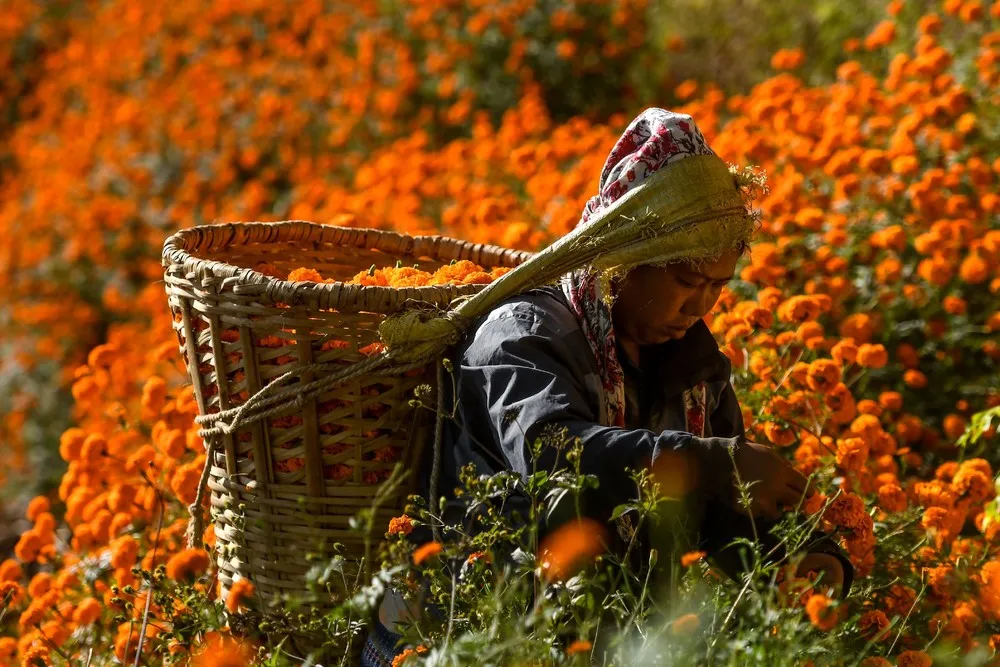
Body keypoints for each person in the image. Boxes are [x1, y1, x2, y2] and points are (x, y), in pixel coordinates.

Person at [360, 108, 853, 667]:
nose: (699, 306)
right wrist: (716, 462)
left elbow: (723, 506)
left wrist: (803, 557)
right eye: (686, 281)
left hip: (587, 641)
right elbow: (554, 452)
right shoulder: (521, 334)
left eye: (717, 286)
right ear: (624, 259)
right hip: (451, 637)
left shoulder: (693, 365)